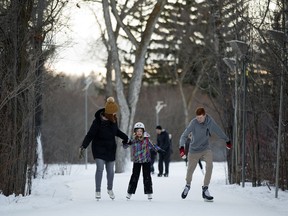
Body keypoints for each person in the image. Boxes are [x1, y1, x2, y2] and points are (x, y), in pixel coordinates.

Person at [79, 97, 129, 200]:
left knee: (110, 171)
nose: (115, 114)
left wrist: (126, 138)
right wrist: (83, 146)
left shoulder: (114, 120)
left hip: (110, 148)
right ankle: (98, 190)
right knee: (100, 168)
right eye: (113, 113)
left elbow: (117, 132)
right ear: (109, 114)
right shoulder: (97, 122)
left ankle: (109, 189)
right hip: (98, 148)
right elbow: (90, 135)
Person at [179, 107, 232, 201]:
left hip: (205, 148)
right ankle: (187, 186)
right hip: (194, 150)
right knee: (190, 170)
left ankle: (205, 188)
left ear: (205, 116)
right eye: (197, 117)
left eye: (200, 117)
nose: (198, 119)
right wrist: (182, 148)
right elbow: (184, 135)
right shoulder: (193, 123)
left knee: (210, 166)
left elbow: (218, 131)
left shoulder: (210, 122)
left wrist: (227, 140)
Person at [124, 122, 164, 200]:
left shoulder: (146, 140)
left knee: (147, 177)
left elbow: (153, 146)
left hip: (146, 161)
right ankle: (130, 192)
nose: (139, 133)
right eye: (137, 131)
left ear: (143, 132)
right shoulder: (133, 140)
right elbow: (126, 145)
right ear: (135, 132)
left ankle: (149, 193)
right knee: (134, 177)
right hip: (137, 161)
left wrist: (159, 150)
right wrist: (125, 142)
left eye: (140, 131)